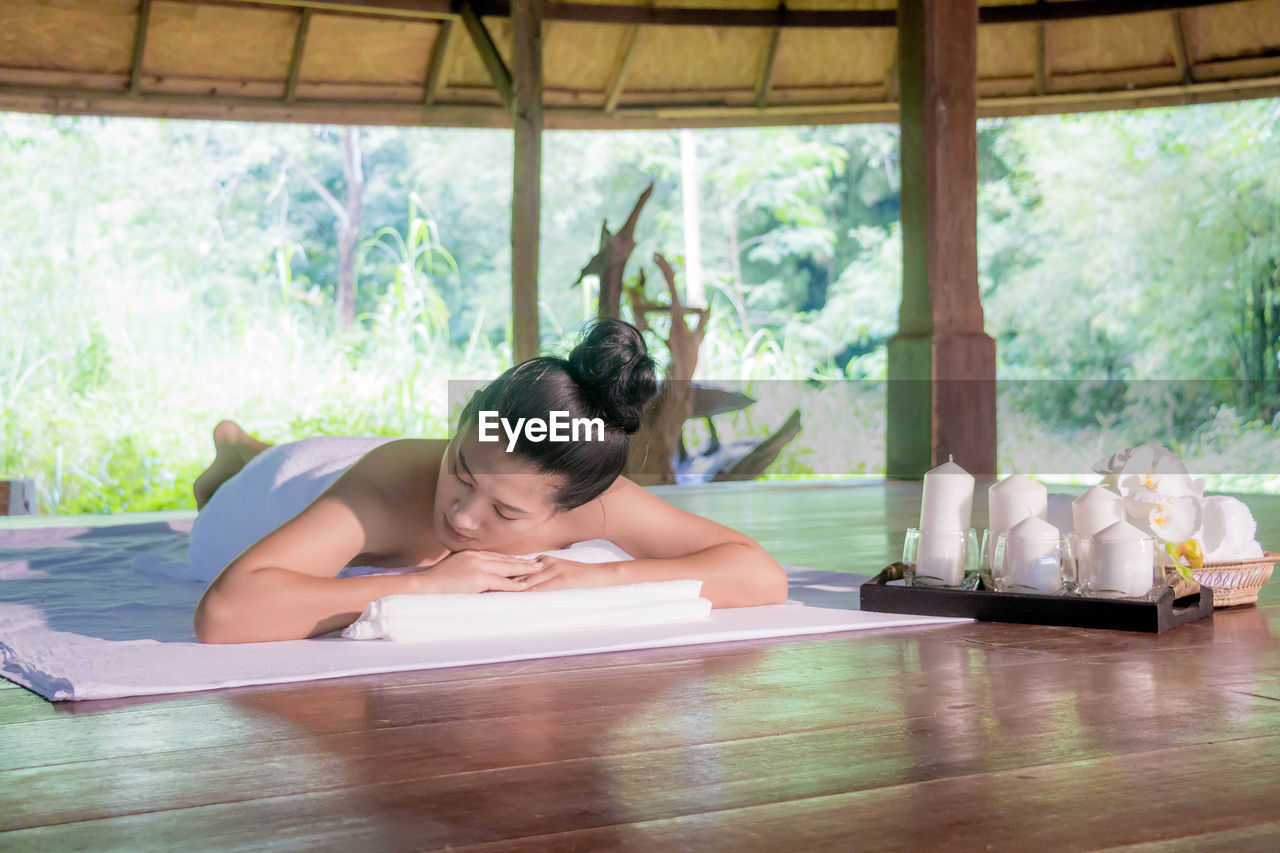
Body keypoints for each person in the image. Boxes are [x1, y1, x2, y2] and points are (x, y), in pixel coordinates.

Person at [192, 319, 788, 644]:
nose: (463, 517)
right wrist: (425, 587)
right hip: (284, 488)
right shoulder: (389, 485)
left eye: (505, 514)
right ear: (461, 425)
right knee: (242, 477)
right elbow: (228, 613)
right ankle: (237, 454)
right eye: (462, 472)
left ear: (573, 508)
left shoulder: (592, 496)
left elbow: (758, 574)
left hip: (355, 466)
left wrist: (599, 578)